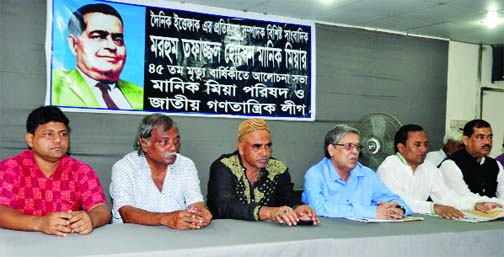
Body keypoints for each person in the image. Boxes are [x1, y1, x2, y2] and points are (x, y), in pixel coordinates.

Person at [0, 106, 110, 236]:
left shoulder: (80, 170)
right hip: (18, 246)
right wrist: (39, 223)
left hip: (66, 247)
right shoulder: (11, 168)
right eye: (49, 134)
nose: (58, 140)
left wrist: (91, 219)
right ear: (30, 139)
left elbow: (101, 209)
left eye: (63, 134)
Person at [207, 118, 319, 226]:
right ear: (241, 148)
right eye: (257, 146)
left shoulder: (278, 168)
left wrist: (298, 208)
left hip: (267, 235)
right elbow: (224, 205)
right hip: (226, 234)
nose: (264, 153)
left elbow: (288, 199)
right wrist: (267, 212)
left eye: (268, 146)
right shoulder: (224, 166)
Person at [377, 124, 501, 219]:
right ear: (401, 147)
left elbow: (447, 197)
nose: (424, 149)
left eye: (425, 144)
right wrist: (434, 207)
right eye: (417, 145)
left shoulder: (429, 168)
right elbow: (399, 201)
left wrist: (475, 205)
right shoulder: (388, 168)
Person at [110, 114, 212, 229]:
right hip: (133, 236)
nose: (173, 147)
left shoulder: (186, 165)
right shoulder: (124, 167)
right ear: (144, 144)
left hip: (176, 236)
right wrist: (167, 219)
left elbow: (195, 201)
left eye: (176, 141)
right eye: (164, 142)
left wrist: (201, 212)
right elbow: (127, 213)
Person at [302, 125, 412, 219]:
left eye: (357, 147)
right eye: (348, 146)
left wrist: (398, 209)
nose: (355, 151)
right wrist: (372, 212)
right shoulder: (315, 174)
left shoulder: (367, 175)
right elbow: (318, 208)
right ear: (331, 150)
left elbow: (397, 201)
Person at [52, 3, 143, 110]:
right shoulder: (54, 85)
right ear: (73, 44)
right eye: (97, 37)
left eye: (118, 40)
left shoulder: (141, 94)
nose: (111, 46)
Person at [440, 119, 504, 199]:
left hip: (494, 210)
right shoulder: (450, 165)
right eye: (480, 137)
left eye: (490, 137)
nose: (487, 142)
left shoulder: (495, 164)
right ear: (466, 140)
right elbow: (465, 198)